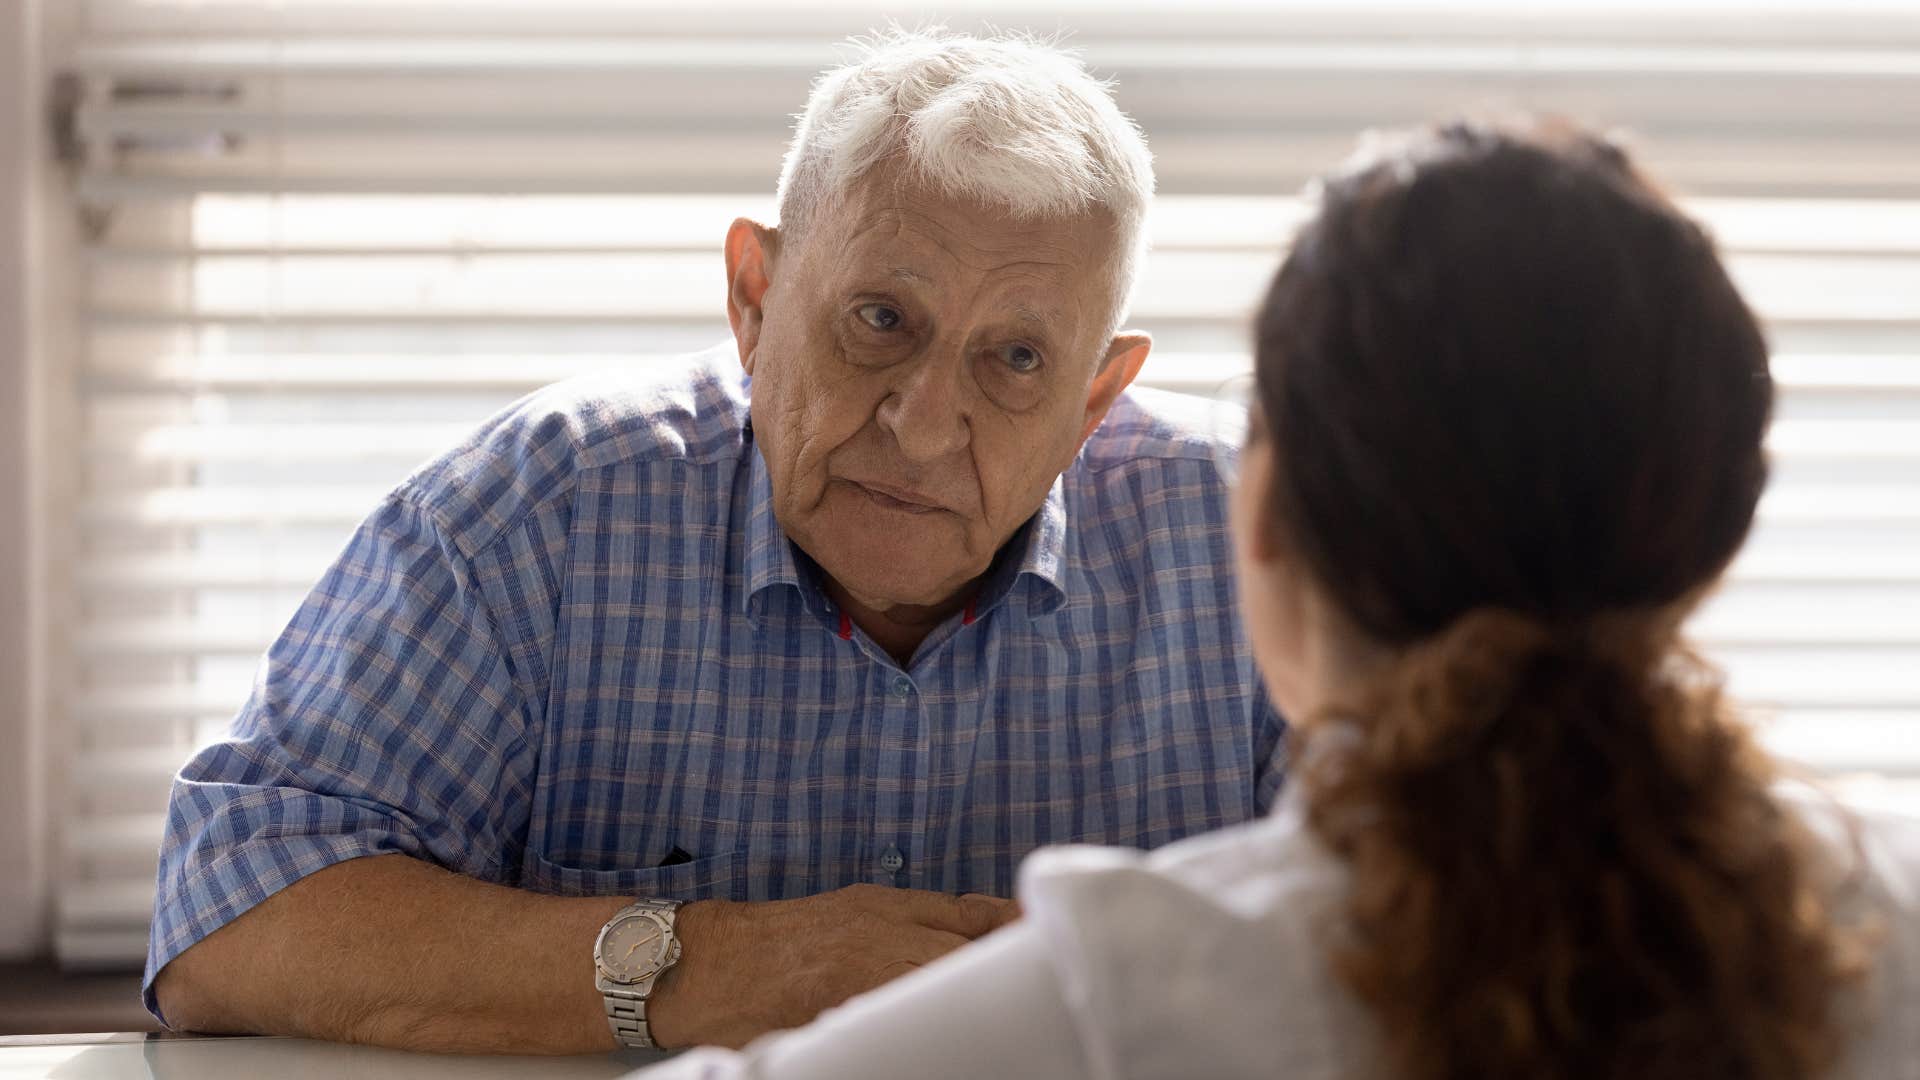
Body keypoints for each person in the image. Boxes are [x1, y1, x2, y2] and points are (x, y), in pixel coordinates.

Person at [633, 120, 1920, 1079]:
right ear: (1708, 544)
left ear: (1265, 515)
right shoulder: (1891, 924)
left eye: (1016, 357)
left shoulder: (1136, 1000)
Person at [144, 29, 1288, 1055]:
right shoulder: (542, 510)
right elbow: (227, 915)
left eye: (1018, 360)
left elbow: (1435, 920)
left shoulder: (1266, 543)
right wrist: (705, 965)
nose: (926, 425)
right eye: (880, 321)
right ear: (754, 295)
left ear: (1095, 398)